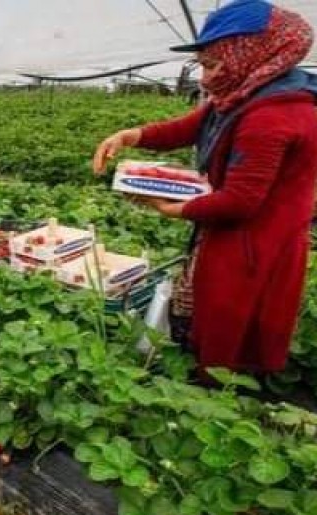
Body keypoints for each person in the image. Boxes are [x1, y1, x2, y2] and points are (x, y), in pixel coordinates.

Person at [93, 0, 317, 378]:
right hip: (238, 236)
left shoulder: (273, 115)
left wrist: (170, 209)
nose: (205, 78)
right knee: (215, 314)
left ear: (251, 55)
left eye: (213, 65)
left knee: (231, 325)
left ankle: (219, 397)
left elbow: (240, 202)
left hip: (255, 243)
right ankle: (211, 377)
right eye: (203, 65)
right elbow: (190, 126)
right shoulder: (247, 93)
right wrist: (131, 136)